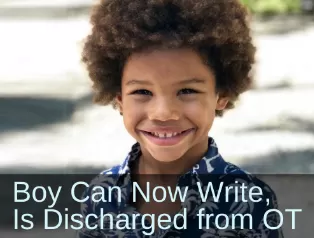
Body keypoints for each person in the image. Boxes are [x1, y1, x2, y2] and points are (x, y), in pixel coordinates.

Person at [77, 0, 284, 237]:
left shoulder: (250, 200)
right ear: (120, 99)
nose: (163, 113)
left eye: (187, 91)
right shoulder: (101, 195)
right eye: (142, 92)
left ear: (222, 95)